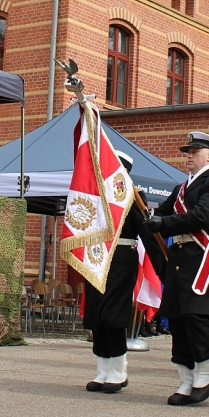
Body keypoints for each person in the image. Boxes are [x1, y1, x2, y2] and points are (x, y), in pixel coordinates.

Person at [144, 132, 209, 407]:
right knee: (178, 320)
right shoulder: (182, 187)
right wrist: (149, 216)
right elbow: (164, 210)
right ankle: (185, 378)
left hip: (204, 256)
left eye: (195, 151)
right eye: (188, 151)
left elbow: (202, 216)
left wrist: (164, 224)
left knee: (197, 318)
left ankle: (204, 373)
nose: (189, 155)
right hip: (180, 258)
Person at [84, 151, 161, 394]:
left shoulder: (132, 196)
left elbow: (146, 233)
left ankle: (118, 371)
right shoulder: (95, 195)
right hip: (96, 257)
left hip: (120, 258)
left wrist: (163, 267)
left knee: (112, 314)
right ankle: (103, 369)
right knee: (96, 314)